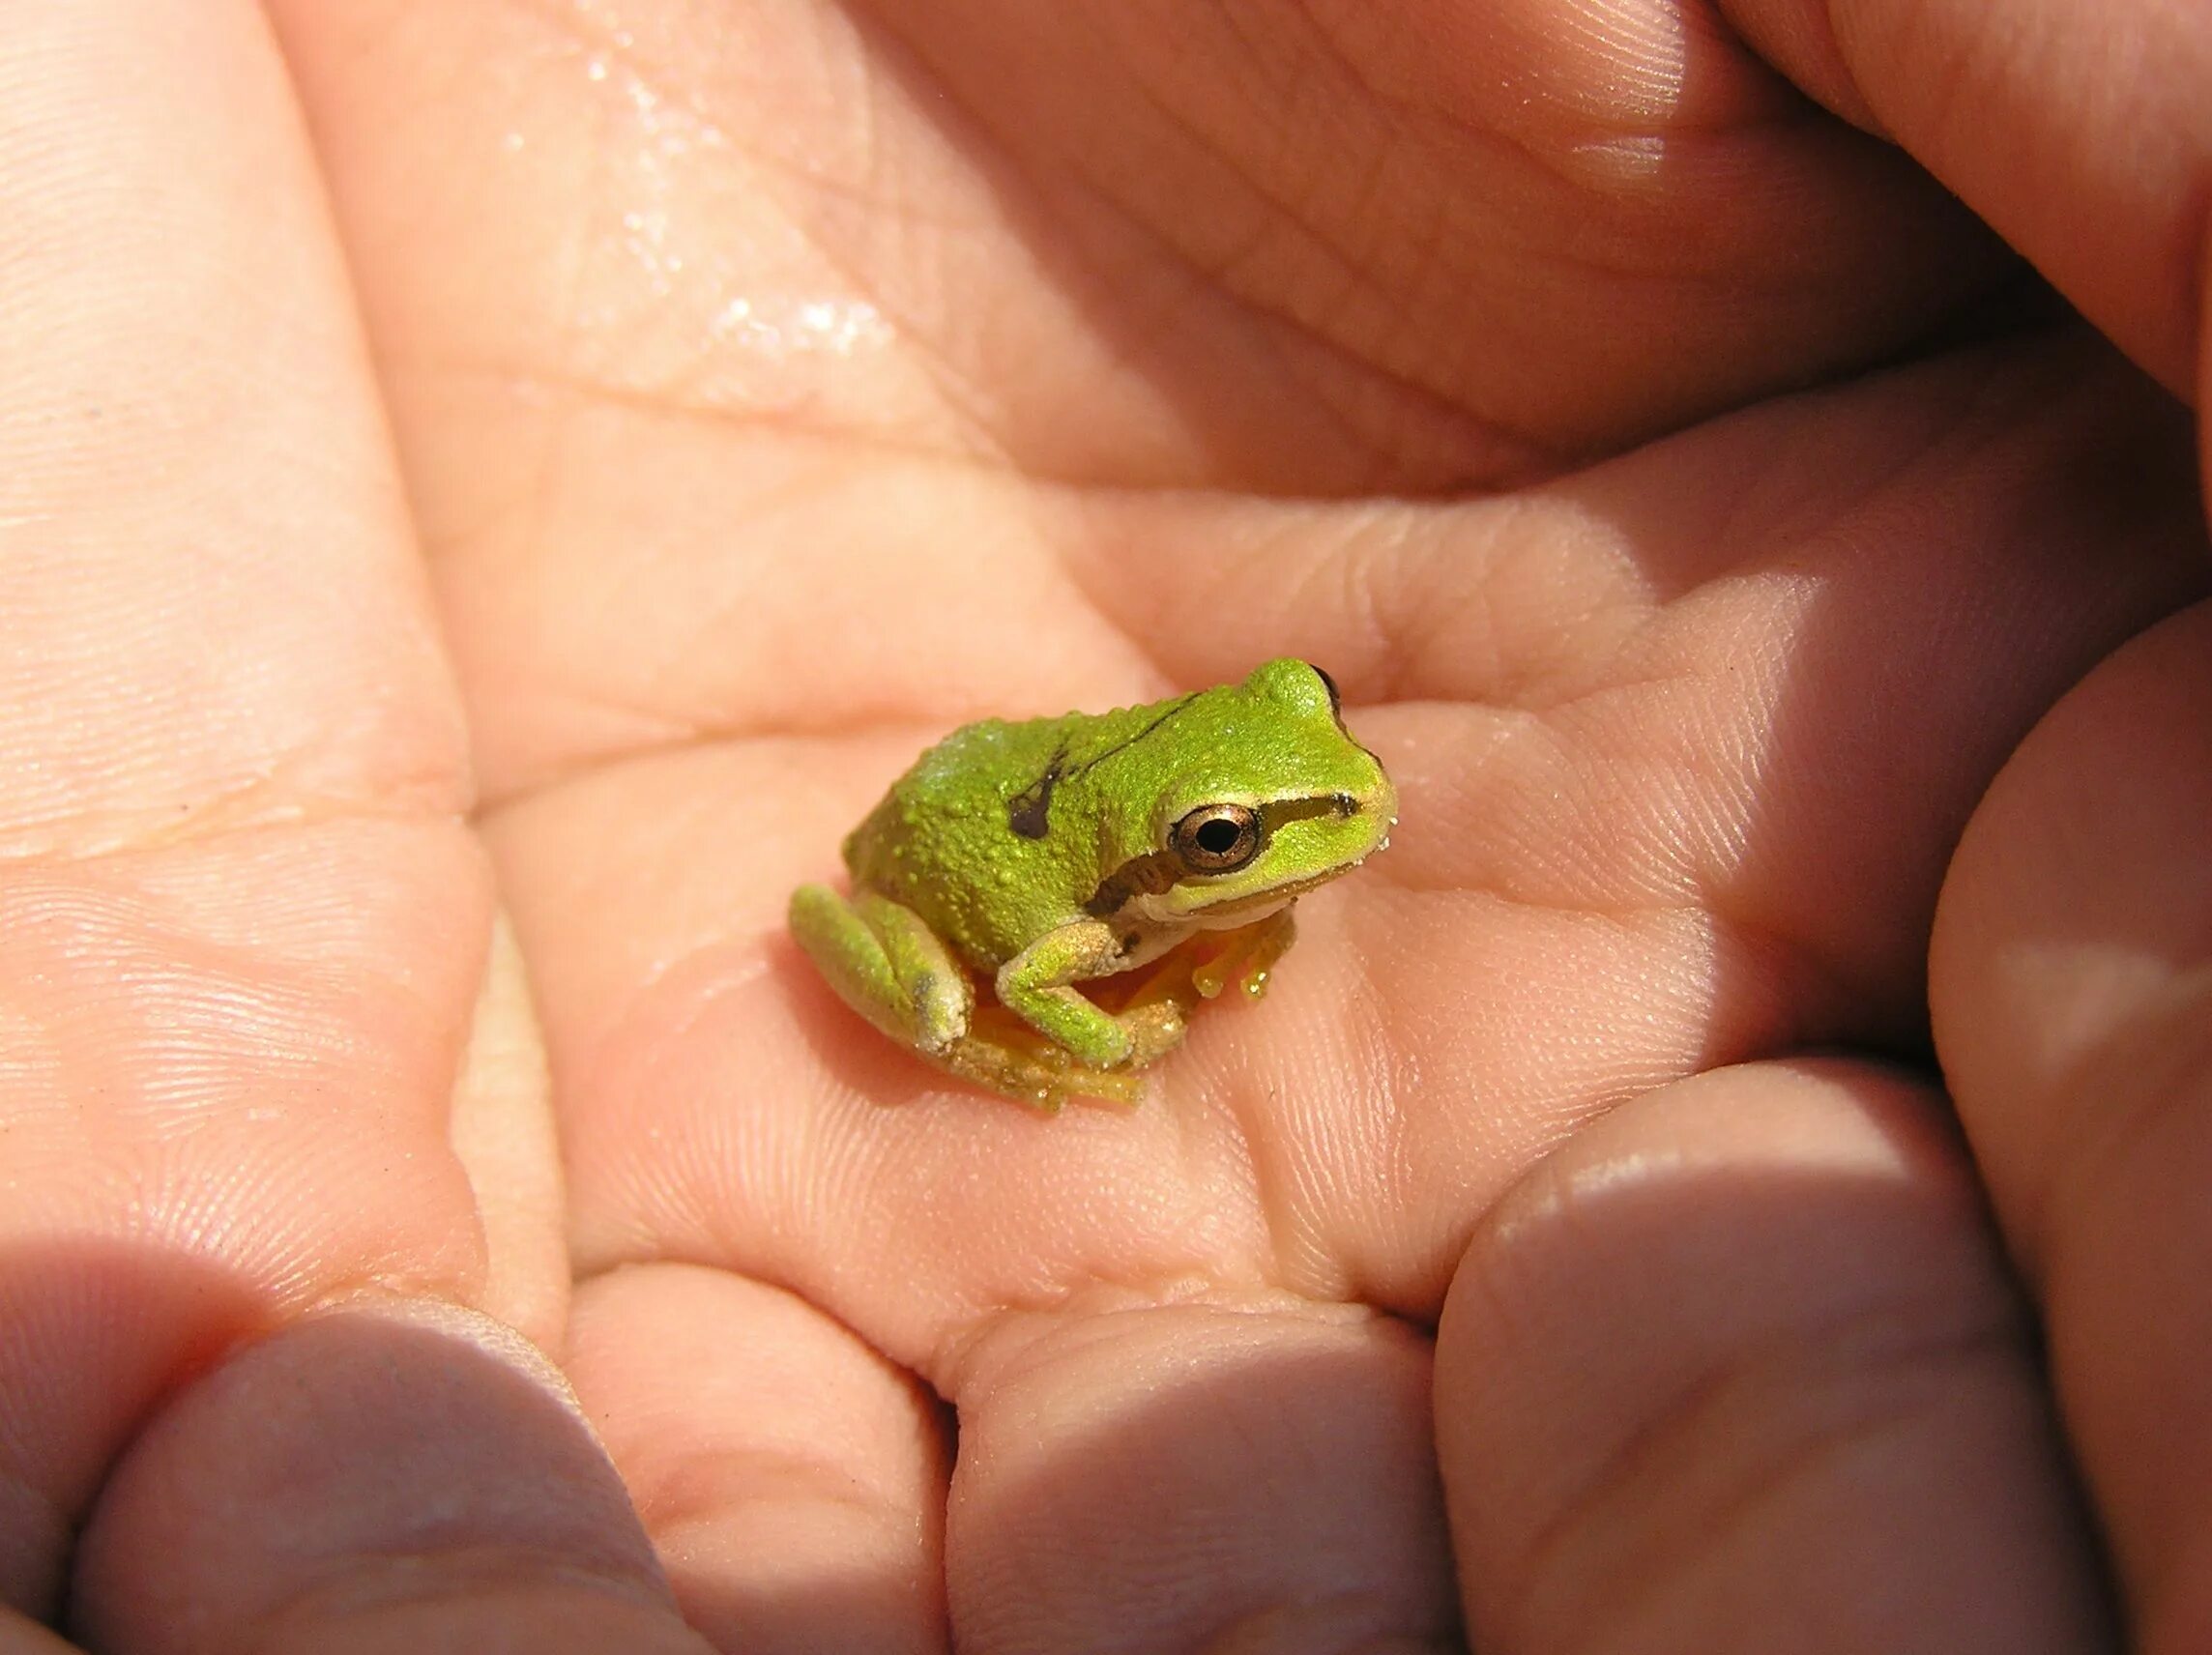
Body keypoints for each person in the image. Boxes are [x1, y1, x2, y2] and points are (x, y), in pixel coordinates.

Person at [4, 1, 2205, 1649]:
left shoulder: (1261, 772)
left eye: (1293, 772)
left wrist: (1229, 884)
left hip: (1033, 769)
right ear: (1190, 844)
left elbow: (1262, 781)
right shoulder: (1087, 921)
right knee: (998, 975)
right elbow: (1058, 964)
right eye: (1257, 832)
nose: (1332, 810)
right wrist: (1056, 1038)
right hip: (943, 878)